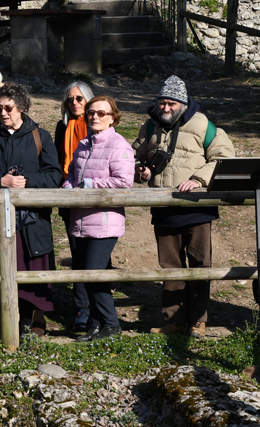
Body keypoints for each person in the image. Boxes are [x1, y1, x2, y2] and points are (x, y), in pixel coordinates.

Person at [133, 75, 234, 338]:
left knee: (200, 265)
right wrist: (140, 171)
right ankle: (173, 321)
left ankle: (198, 322)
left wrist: (198, 180)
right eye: (162, 103)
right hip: (163, 208)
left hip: (197, 207)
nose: (165, 108)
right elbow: (134, 157)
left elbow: (224, 157)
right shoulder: (149, 127)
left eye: (171, 104)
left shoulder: (204, 126)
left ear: (183, 103)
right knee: (170, 267)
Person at [0, 82, 61, 338]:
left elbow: (54, 176)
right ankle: (6, 321)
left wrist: (26, 180)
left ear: (22, 109)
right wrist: (0, 180)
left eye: (8, 108)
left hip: (31, 220)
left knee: (33, 268)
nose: (2, 113)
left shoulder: (40, 136)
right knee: (0, 268)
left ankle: (35, 321)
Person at [61, 95, 134, 342]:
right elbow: (72, 174)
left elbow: (124, 182)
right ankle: (95, 323)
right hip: (80, 220)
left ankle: (111, 324)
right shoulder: (83, 144)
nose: (94, 117)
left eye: (101, 113)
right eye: (91, 112)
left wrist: (89, 184)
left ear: (112, 118)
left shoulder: (119, 145)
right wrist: (68, 187)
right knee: (85, 274)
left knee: (95, 273)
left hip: (104, 221)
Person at [53, 81, 96, 334]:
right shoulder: (63, 126)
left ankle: (99, 306)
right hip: (69, 197)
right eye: (71, 99)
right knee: (78, 253)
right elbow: (60, 160)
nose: (75, 103)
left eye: (80, 98)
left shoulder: (98, 123)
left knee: (97, 254)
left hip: (94, 197)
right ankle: (82, 308)